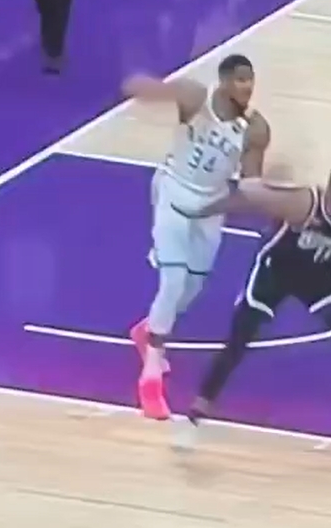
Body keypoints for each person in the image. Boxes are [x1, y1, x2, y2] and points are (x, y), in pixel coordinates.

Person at [174, 162, 331, 458]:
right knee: (238, 341)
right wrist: (202, 211)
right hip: (275, 274)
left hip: (318, 278)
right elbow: (250, 201)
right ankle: (194, 417)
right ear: (329, 190)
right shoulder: (304, 203)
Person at [120, 54, 271, 420]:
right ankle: (151, 377)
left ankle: (147, 330)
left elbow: (249, 183)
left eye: (250, 79)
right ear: (223, 81)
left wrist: (267, 194)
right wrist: (144, 88)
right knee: (172, 281)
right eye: (240, 79)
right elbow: (150, 90)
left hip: (210, 206)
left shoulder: (255, 129)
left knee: (191, 289)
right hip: (174, 191)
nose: (247, 86)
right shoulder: (194, 97)